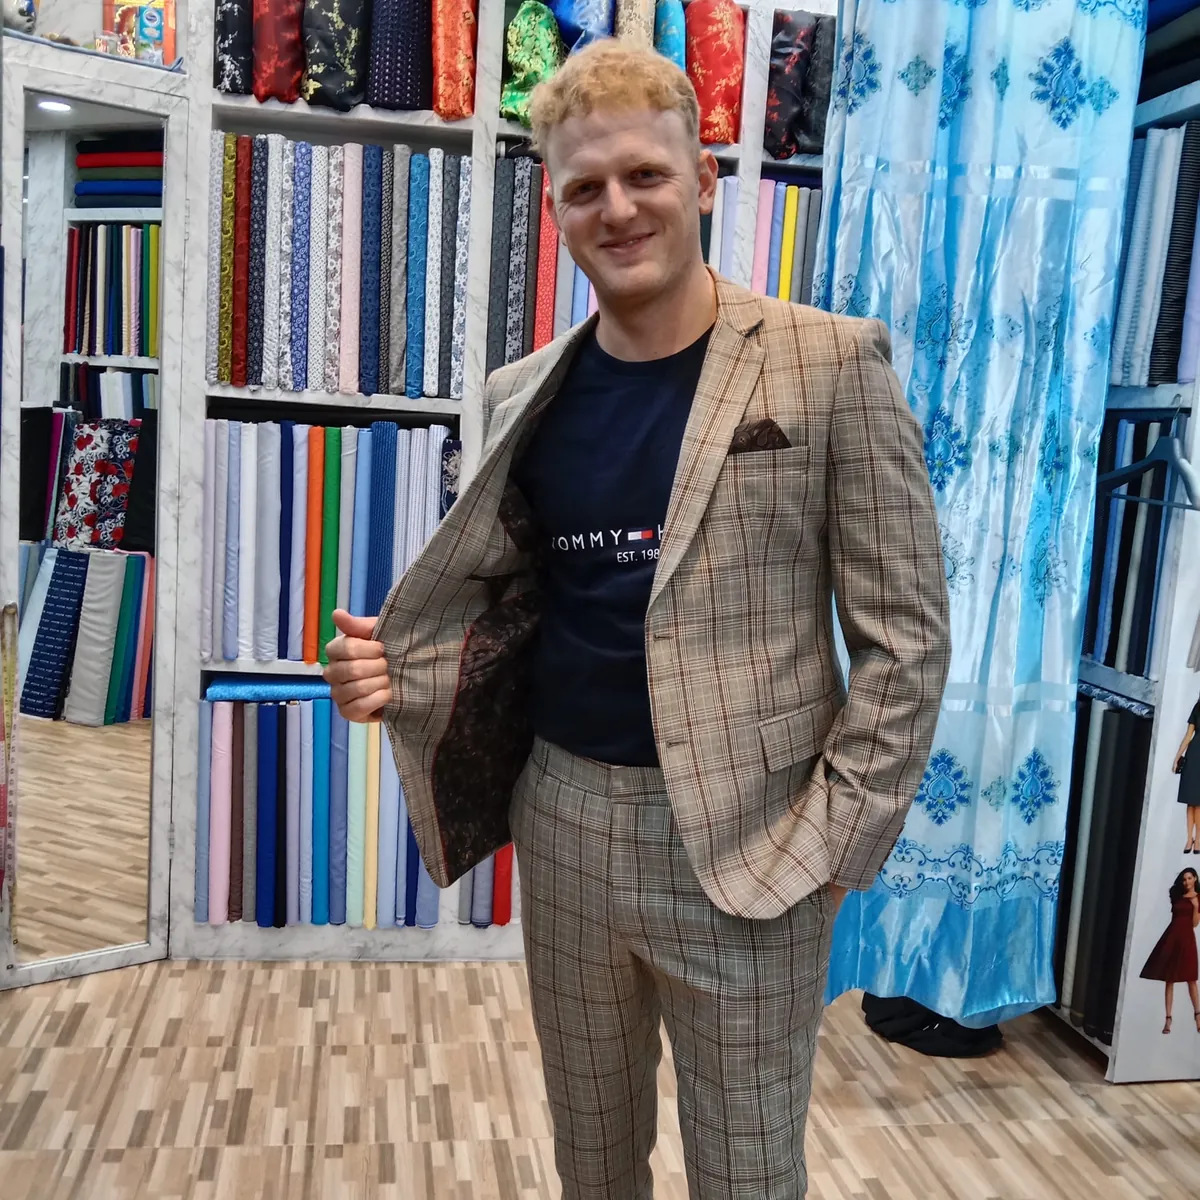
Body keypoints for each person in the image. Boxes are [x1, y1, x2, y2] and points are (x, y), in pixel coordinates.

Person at [325, 40, 950, 1200]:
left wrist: (833, 844)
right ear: (555, 209)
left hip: (755, 843)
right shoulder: (521, 394)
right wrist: (395, 676)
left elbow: (906, 637)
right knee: (593, 1157)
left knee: (749, 1173)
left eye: (645, 175)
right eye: (585, 188)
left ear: (702, 178)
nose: (617, 208)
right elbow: (516, 607)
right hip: (563, 821)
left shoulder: (829, 364)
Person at [1140, 868, 1200, 1035]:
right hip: (1172, 936)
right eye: (1184, 879)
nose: (1186, 882)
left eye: (1189, 878)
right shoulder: (1177, 895)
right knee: (1169, 978)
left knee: (1191, 978)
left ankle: (1198, 1015)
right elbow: (1175, 917)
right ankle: (1168, 1018)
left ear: (1195, 878)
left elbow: (1195, 924)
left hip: (1187, 938)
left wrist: (1196, 906)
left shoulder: (1198, 898)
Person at [1174, 696, 1199, 853]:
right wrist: (1177, 757)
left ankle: (1198, 840)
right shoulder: (1198, 707)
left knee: (1199, 803)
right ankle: (1190, 838)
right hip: (1194, 755)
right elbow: (1188, 734)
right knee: (1190, 801)